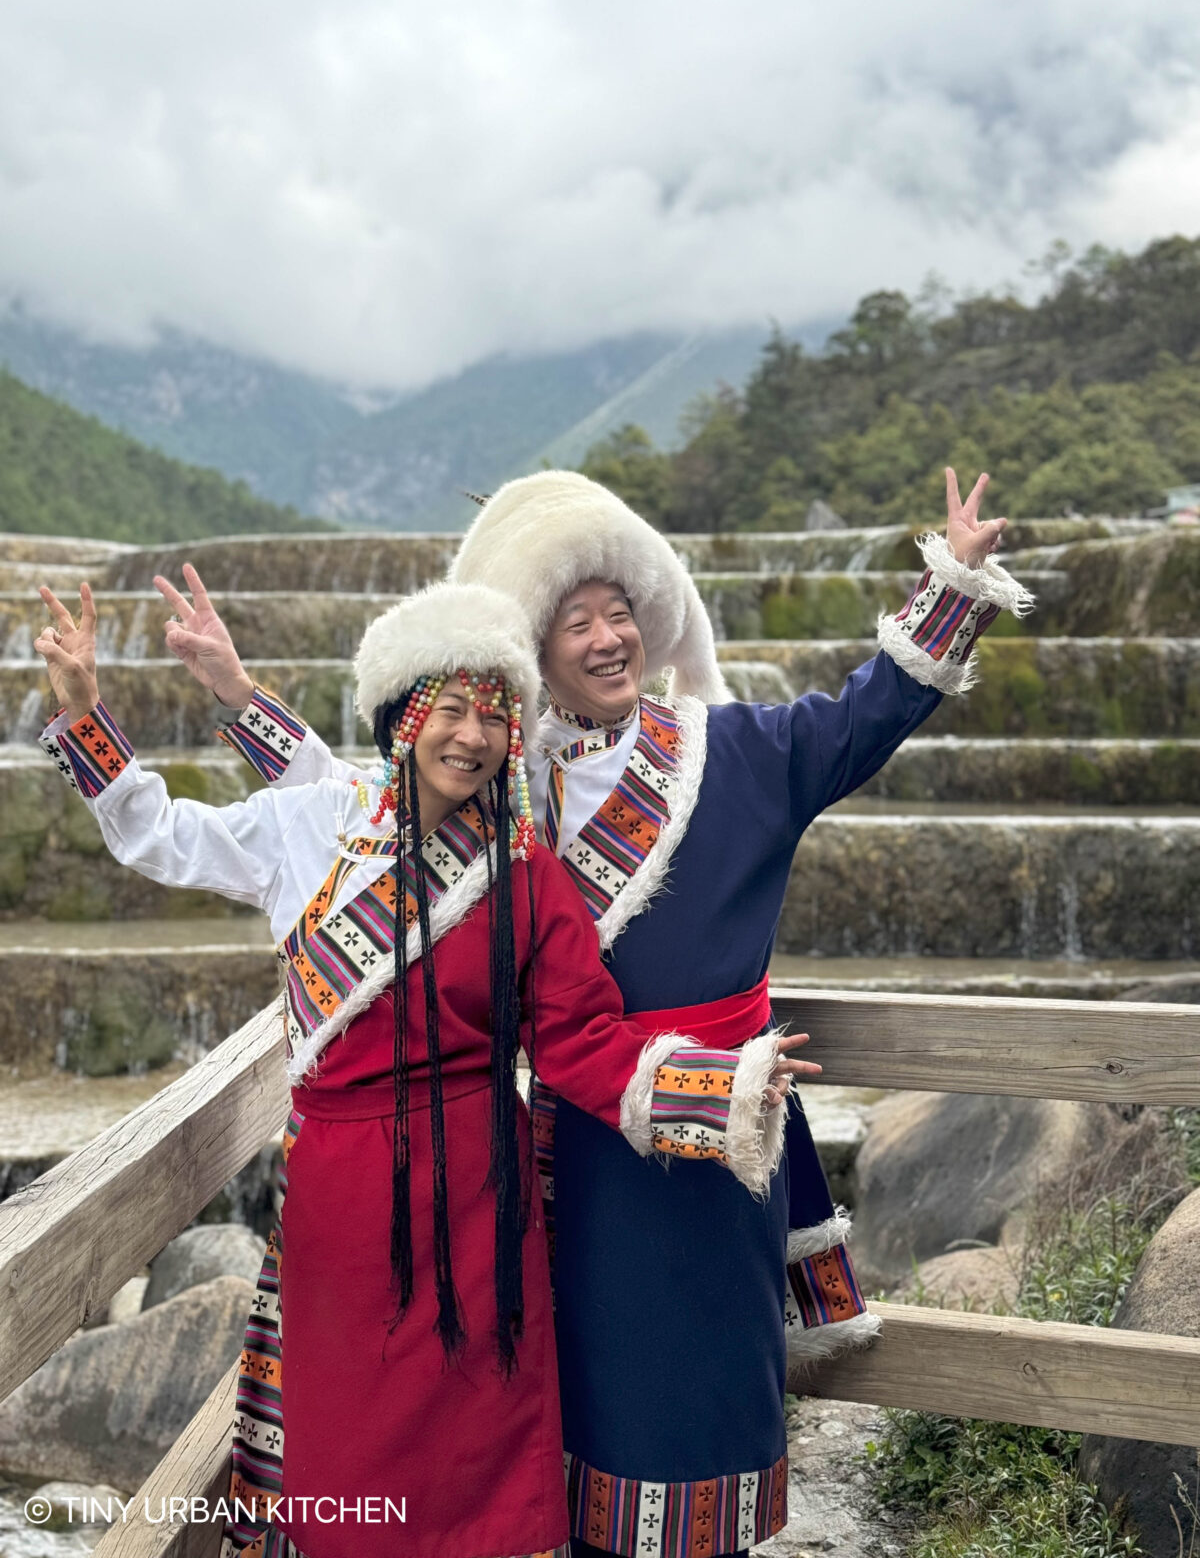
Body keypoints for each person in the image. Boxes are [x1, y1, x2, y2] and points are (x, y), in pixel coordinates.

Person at [152, 468, 1033, 1558]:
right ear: (542, 648)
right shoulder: (511, 787)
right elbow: (361, 797)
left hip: (714, 1152)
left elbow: (866, 714)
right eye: (578, 621)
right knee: (560, 1423)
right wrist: (240, 696)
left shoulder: (742, 750)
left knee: (698, 1419)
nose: (608, 637)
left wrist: (953, 583)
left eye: (622, 613)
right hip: (565, 1155)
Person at [34, 578, 809, 1558]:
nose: (473, 737)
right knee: (349, 1447)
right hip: (339, 1209)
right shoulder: (315, 825)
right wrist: (84, 714)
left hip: (478, 1207)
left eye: (495, 717)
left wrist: (723, 1086)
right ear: (408, 717)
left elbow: (579, 1041)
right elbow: (159, 833)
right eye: (451, 710)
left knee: (470, 1462)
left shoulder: (523, 868)